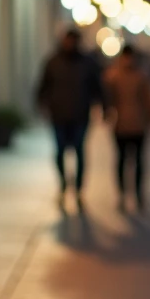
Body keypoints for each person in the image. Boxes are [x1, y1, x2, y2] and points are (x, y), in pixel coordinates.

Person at [36, 28, 102, 210]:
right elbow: (43, 84)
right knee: (59, 152)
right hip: (58, 115)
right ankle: (64, 183)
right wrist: (42, 104)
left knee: (79, 151)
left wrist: (102, 106)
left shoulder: (87, 63)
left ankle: (79, 188)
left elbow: (97, 86)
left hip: (80, 115)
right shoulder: (53, 62)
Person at [103, 45, 150, 211]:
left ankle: (138, 194)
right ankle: (122, 193)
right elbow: (108, 99)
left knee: (138, 160)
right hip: (120, 125)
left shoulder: (141, 77)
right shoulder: (113, 76)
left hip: (138, 125)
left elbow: (149, 100)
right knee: (122, 160)